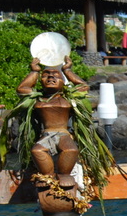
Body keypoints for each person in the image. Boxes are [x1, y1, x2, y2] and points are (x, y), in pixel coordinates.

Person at [16, 56, 88, 189]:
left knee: (71, 149)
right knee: (37, 151)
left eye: (55, 75)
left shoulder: (68, 97)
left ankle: (64, 174)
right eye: (46, 75)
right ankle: (48, 175)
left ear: (63, 81)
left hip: (63, 133)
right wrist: (34, 71)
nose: (50, 78)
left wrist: (67, 70)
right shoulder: (38, 98)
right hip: (47, 134)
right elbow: (21, 89)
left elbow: (83, 87)